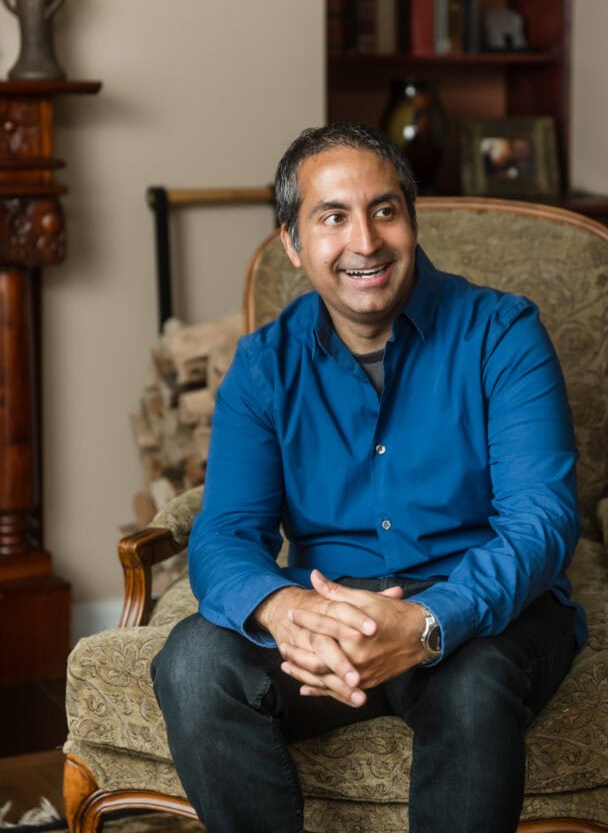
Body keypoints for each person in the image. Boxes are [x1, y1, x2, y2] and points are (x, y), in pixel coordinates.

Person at [152, 122, 586, 833]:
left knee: (472, 690)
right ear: (292, 245)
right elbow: (226, 532)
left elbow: (542, 520)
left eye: (384, 210)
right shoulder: (263, 366)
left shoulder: (502, 334)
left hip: (482, 611)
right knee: (194, 665)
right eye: (332, 217)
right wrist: (282, 611)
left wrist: (426, 622)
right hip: (330, 613)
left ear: (410, 222)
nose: (365, 240)